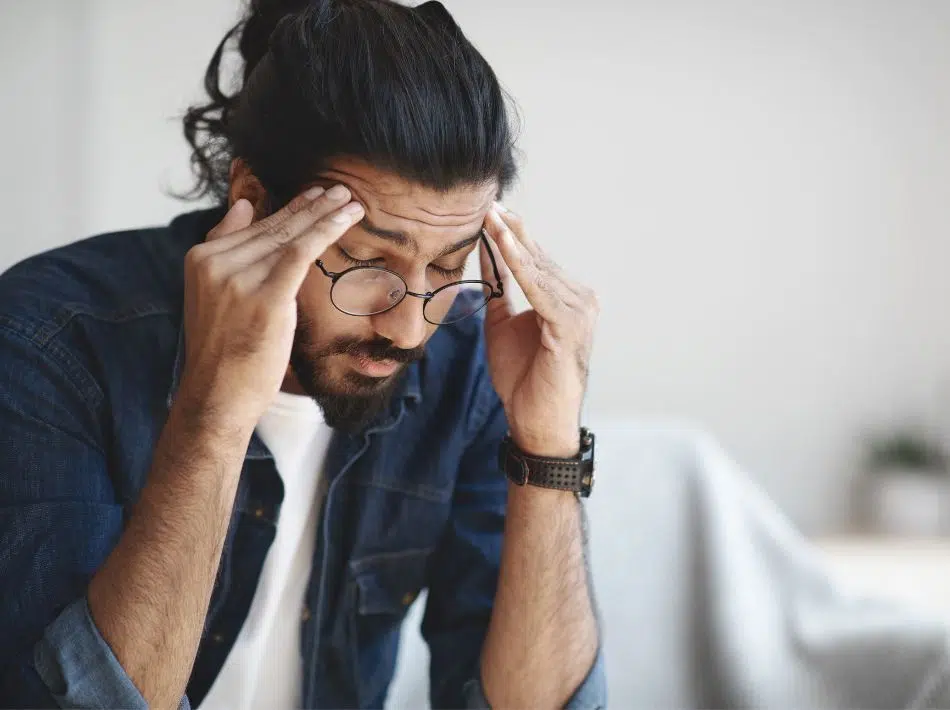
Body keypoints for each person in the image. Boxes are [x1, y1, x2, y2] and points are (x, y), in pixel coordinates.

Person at [0, 1, 605, 708]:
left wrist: (547, 449)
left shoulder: (471, 368)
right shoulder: (50, 340)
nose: (410, 328)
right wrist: (216, 409)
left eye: (449, 264)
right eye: (366, 260)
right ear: (253, 199)